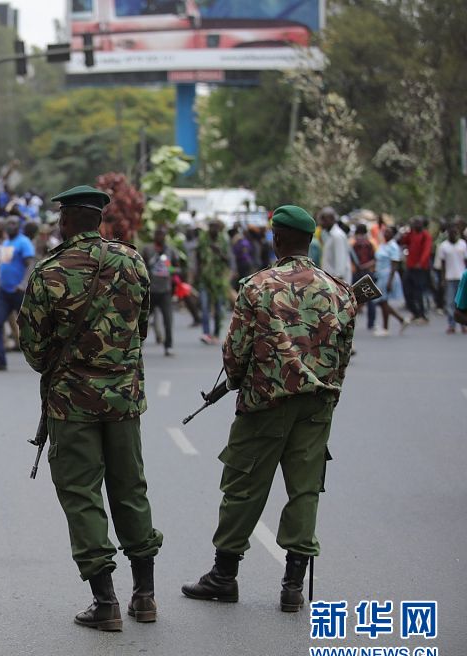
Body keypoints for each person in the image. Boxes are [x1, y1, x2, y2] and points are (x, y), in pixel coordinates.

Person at [181, 205, 356, 613]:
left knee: (243, 486)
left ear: (277, 238)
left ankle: (224, 576)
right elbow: (343, 352)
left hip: (265, 403)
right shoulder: (339, 290)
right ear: (309, 240)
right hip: (317, 405)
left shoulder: (258, 286)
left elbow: (236, 352)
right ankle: (293, 587)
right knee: (305, 489)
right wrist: (327, 393)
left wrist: (236, 380)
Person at [18, 185, 162, 630]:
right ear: (99, 219)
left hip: (71, 403)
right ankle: (145, 596)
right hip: (123, 399)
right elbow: (141, 326)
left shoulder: (49, 271)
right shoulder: (132, 261)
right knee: (130, 489)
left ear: (65, 220)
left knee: (82, 495)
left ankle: (105, 602)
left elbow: (33, 348)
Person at [0, 220, 35, 371]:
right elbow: (4, 265)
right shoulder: (6, 243)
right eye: (8, 224)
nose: (10, 226)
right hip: (4, 292)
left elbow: (30, 264)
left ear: (18, 227)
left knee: (32, 327)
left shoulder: (24, 242)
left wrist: (23, 284)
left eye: (13, 223)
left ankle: (47, 360)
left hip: (19, 292)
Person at [141, 226, 179, 357]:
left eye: (162, 234)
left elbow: (178, 268)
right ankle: (138, 346)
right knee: (143, 320)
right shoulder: (147, 249)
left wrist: (170, 270)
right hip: (150, 291)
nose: (159, 237)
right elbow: (140, 265)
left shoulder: (171, 251)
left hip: (165, 291)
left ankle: (168, 346)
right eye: (157, 234)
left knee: (168, 320)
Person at [196, 220, 231, 344]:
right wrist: (197, 273)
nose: (214, 230)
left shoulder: (223, 241)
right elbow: (198, 257)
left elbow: (228, 260)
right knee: (204, 306)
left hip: (218, 280)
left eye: (216, 227)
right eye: (212, 227)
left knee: (218, 307)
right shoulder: (203, 240)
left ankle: (216, 333)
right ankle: (206, 333)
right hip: (204, 279)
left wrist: (219, 252)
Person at [373, 224, 408, 336]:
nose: (386, 234)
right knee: (383, 302)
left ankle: (394, 323)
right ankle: (392, 324)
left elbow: (394, 265)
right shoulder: (383, 245)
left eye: (388, 232)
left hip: (388, 275)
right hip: (380, 275)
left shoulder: (393, 246)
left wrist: (390, 281)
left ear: (393, 234)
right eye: (385, 232)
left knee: (382, 301)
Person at [434, 220, 467, 334]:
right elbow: (442, 264)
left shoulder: (463, 244)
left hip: (462, 278)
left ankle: (463, 325)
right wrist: (443, 279)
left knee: (462, 303)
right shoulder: (443, 246)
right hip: (450, 277)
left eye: (455, 232)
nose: (453, 234)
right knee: (450, 302)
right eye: (451, 232)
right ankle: (451, 324)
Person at [402, 216, 433, 323]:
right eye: (415, 223)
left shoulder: (425, 235)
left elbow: (427, 250)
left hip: (420, 268)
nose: (416, 225)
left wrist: (421, 263)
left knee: (418, 291)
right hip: (410, 266)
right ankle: (415, 312)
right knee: (407, 289)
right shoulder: (412, 234)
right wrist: (408, 231)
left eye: (418, 223)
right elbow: (404, 241)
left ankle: (422, 314)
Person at [351, 224, 378, 331]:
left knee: (353, 298)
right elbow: (374, 260)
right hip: (366, 273)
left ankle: (351, 322)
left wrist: (361, 266)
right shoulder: (369, 243)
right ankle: (371, 323)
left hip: (359, 272)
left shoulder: (355, 244)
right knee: (370, 297)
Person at [320, 209, 353, 284]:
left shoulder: (337, 235)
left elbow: (340, 261)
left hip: (337, 282)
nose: (322, 223)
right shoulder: (330, 235)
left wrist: (338, 282)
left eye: (324, 220)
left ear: (332, 219)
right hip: (331, 281)